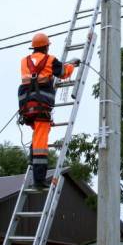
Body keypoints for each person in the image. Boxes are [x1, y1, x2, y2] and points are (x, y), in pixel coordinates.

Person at [18, 33, 80, 187]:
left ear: (34, 47)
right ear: (46, 46)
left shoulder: (24, 61)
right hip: (41, 106)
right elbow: (63, 73)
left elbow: (38, 75)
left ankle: (33, 164)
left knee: (37, 135)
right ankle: (39, 180)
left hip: (26, 107)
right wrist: (72, 65)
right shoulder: (50, 60)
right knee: (41, 142)